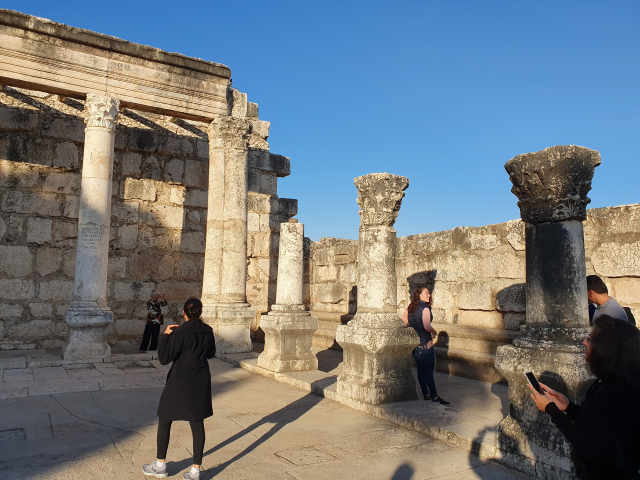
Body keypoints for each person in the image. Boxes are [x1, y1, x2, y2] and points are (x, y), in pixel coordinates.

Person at [528, 316, 640, 479]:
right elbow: (598, 424)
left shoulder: (617, 392)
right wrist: (568, 407)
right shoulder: (606, 382)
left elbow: (588, 445)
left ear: (606, 349)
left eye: (590, 340)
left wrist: (551, 410)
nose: (584, 344)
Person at [143, 298, 216, 479]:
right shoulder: (208, 331)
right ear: (199, 312)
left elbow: (164, 358)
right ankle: (196, 470)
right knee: (197, 424)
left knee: (165, 420)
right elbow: (211, 354)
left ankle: (160, 465)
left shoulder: (180, 332)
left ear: (184, 313)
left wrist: (164, 336)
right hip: (200, 380)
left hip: (179, 380)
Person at [402, 286, 449, 405]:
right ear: (419, 295)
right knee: (429, 372)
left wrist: (414, 328)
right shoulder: (425, 309)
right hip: (427, 344)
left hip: (417, 345)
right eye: (426, 293)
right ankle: (434, 396)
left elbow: (404, 320)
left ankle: (426, 394)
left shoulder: (411, 307)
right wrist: (434, 332)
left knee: (420, 372)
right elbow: (427, 326)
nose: (429, 295)